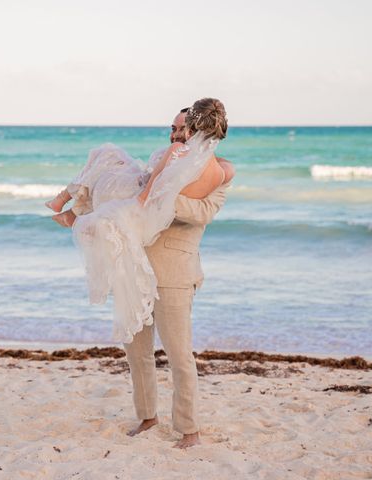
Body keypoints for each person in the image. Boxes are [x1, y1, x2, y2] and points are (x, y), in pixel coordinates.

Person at [47, 98, 234, 448]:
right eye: (173, 129)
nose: (175, 135)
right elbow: (134, 198)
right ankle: (147, 417)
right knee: (137, 352)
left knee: (180, 355)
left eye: (182, 129)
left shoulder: (218, 170)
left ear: (197, 130)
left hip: (175, 273)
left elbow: (203, 212)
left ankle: (189, 430)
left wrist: (159, 195)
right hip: (133, 266)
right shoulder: (164, 163)